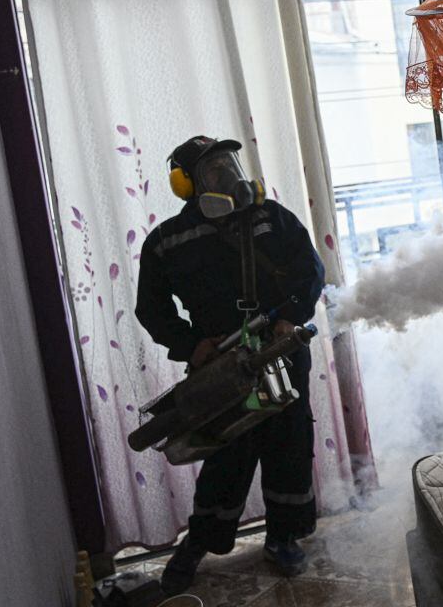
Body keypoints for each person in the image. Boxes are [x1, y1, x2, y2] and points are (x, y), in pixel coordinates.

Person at [135, 135, 325, 595]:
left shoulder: (271, 218)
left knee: (289, 444)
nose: (225, 173)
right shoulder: (166, 241)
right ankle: (200, 542)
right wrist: (192, 346)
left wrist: (289, 320)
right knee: (225, 452)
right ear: (186, 184)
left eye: (227, 162)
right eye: (211, 169)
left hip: (280, 351)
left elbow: (311, 273)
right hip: (217, 365)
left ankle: (283, 538)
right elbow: (152, 309)